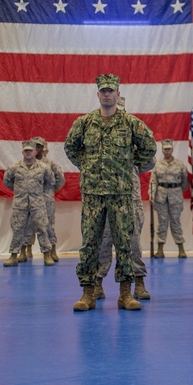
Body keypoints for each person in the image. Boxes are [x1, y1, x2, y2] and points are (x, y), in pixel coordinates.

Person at [64, 73, 157, 312]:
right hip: (94, 194)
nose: (107, 94)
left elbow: (149, 146)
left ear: (118, 94)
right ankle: (88, 293)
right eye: (103, 91)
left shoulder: (131, 123)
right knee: (91, 244)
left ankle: (125, 294)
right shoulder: (84, 123)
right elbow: (70, 147)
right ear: (98, 95)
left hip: (121, 194)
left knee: (125, 243)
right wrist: (87, 165)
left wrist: (129, 164)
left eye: (111, 90)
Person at [95, 96, 155, 301]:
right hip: (103, 195)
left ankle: (138, 282)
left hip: (129, 197)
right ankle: (97, 283)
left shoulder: (133, 131)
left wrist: (131, 167)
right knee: (102, 240)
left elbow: (150, 159)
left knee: (132, 243)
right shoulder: (96, 131)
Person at [2, 140, 55, 268]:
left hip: (37, 203)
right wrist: (20, 192)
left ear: (35, 152)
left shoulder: (43, 167)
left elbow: (51, 181)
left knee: (42, 228)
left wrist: (39, 193)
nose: (28, 153)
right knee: (17, 229)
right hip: (20, 204)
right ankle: (14, 255)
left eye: (30, 151)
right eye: (26, 151)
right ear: (22, 152)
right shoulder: (14, 167)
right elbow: (7, 181)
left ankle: (47, 254)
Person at [23, 137, 64, 265]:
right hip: (30, 197)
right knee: (28, 223)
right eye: (35, 146)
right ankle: (26, 249)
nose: (37, 148)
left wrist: (50, 191)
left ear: (43, 148)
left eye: (40, 146)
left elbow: (60, 180)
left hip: (46, 198)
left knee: (48, 224)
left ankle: (52, 250)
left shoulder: (50, 164)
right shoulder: (27, 163)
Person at [149, 139, 188, 258]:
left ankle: (181, 248)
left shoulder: (180, 164)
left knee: (176, 222)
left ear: (172, 149)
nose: (167, 151)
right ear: (162, 149)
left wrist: (177, 190)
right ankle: (160, 249)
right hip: (161, 197)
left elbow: (185, 182)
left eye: (169, 149)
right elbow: (153, 181)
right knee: (162, 223)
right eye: (165, 149)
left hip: (175, 196)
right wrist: (151, 194)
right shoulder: (158, 165)